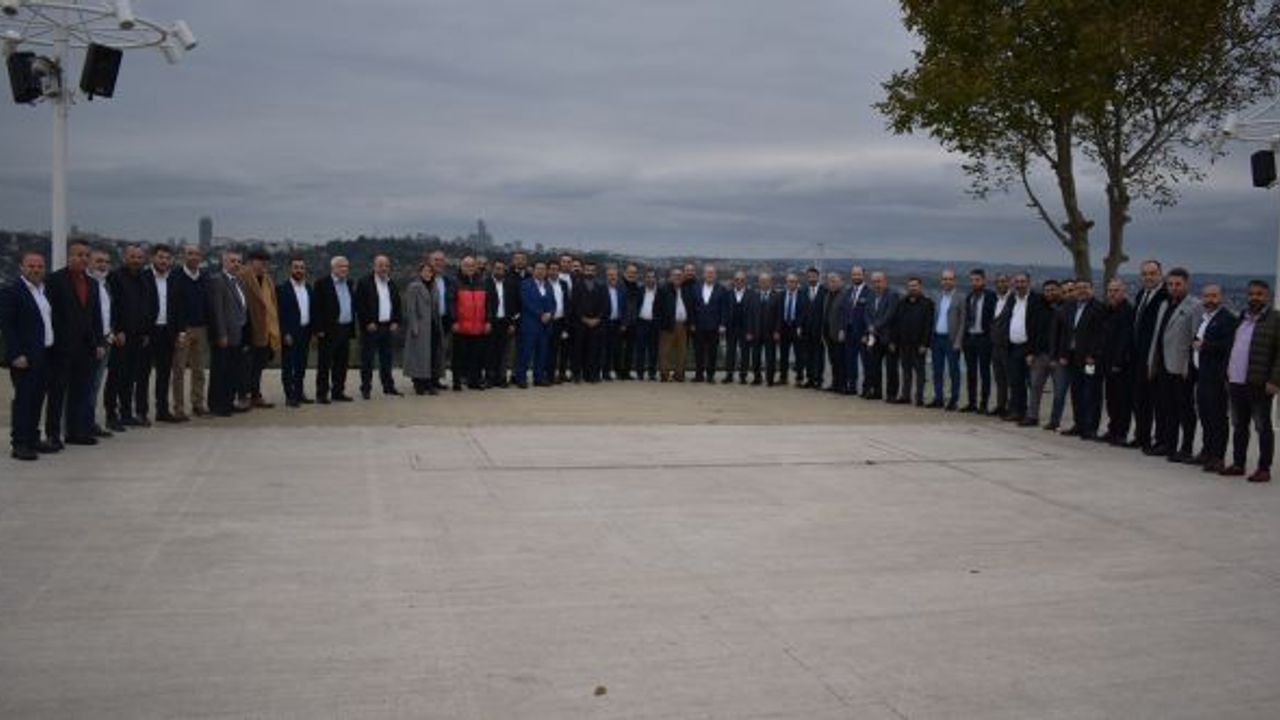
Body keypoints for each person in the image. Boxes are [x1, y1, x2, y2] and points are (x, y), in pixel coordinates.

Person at [44, 240, 104, 448]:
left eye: (86, 255)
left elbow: (95, 316)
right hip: (61, 346)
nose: (83, 259)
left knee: (80, 392)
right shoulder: (54, 280)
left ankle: (75, 432)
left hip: (86, 347)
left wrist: (98, 342)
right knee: (57, 392)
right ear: (69, 256)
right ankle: (53, 434)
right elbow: (49, 313)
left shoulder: (92, 283)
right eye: (79, 255)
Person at [1222, 280, 1280, 482]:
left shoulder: (1275, 319)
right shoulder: (1242, 317)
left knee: (1262, 427)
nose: (1255, 297)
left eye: (1259, 294)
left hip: (1259, 383)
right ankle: (1238, 464)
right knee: (1239, 426)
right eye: (1252, 294)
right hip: (1236, 381)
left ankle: (1264, 469)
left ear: (1268, 296)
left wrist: (1275, 380)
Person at [2, 251, 57, 460]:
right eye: (31, 266)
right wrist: (16, 354)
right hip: (24, 357)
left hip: (45, 354)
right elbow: (7, 327)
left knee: (37, 399)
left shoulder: (43, 291)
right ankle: (20, 443)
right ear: (22, 268)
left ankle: (33, 438)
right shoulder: (12, 292)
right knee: (24, 400)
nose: (36, 270)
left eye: (40, 266)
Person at [1151, 268, 1201, 463]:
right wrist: (1152, 362)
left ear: (1186, 284)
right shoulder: (1164, 304)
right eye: (1170, 284)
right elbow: (1158, 335)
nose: (1173, 288)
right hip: (1164, 364)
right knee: (1167, 406)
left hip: (1183, 367)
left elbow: (1196, 338)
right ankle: (1168, 445)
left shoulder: (1194, 306)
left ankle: (1186, 447)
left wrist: (1189, 365)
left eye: (1178, 284)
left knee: (1185, 409)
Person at [105, 244, 154, 430]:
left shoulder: (144, 278)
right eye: (132, 257)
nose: (136, 260)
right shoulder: (115, 277)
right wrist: (117, 330)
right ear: (125, 257)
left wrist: (146, 332)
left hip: (138, 335)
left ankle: (126, 413)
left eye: (139, 257)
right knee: (115, 376)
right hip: (121, 335)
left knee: (130, 377)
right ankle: (111, 415)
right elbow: (113, 306)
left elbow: (147, 306)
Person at [141, 244, 187, 423]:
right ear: (153, 258)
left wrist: (181, 331)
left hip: (168, 332)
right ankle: (142, 412)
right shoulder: (143, 277)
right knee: (143, 374)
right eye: (161, 257)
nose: (164, 261)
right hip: (148, 332)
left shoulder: (174, 279)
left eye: (167, 258)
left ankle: (162, 410)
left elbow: (180, 307)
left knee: (164, 374)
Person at [1192, 284, 1236, 472]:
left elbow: (1229, 345)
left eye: (1214, 296)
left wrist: (1205, 345)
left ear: (1221, 297)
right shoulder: (1205, 318)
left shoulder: (1227, 319)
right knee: (1205, 416)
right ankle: (1207, 451)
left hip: (1216, 376)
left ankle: (1218, 457)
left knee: (1217, 418)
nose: (1209, 300)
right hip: (1202, 374)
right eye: (1206, 296)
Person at [1059, 279, 1105, 439]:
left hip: (1089, 360)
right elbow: (1066, 333)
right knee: (1076, 392)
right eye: (1078, 288)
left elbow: (1100, 335)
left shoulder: (1098, 308)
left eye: (1085, 287)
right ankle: (1079, 424)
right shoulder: (1070, 307)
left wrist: (1093, 355)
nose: (1081, 290)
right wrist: (1063, 354)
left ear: (1092, 289)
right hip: (1073, 358)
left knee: (1091, 392)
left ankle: (1091, 428)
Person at [205, 249, 249, 417]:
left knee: (232, 371)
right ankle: (217, 405)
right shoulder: (218, 281)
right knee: (220, 372)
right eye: (232, 261)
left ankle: (228, 402)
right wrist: (221, 334)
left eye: (238, 261)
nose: (236, 264)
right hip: (225, 336)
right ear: (224, 262)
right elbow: (217, 311)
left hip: (237, 334)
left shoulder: (239, 281)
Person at [1130, 260, 1168, 450]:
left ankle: (1160, 440)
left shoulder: (1165, 297)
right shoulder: (1141, 295)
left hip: (1155, 358)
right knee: (1140, 400)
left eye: (1152, 273)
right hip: (1138, 357)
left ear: (1161, 274)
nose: (1148, 277)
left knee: (1158, 402)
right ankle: (1141, 436)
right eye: (1145, 274)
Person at [355, 255, 403, 399]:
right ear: (374, 266)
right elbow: (359, 305)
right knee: (368, 360)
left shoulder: (391, 283)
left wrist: (396, 321)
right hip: (371, 327)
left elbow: (397, 303)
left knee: (387, 359)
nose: (384, 268)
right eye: (380, 265)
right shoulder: (364, 282)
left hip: (387, 327)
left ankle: (388, 386)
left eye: (386, 265)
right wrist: (367, 322)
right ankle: (366, 388)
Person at [171, 245, 209, 419]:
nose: (194, 257)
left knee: (199, 369)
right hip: (183, 329)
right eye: (190, 254)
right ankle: (178, 408)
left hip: (201, 328)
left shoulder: (204, 276)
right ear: (183, 256)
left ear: (201, 257)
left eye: (197, 254)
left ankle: (198, 403)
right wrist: (179, 330)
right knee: (179, 370)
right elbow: (174, 305)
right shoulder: (176, 276)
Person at [238, 249, 280, 408]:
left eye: (266, 262)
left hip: (266, 329)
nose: (264, 264)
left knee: (258, 366)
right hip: (249, 328)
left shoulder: (267, 279)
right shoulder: (242, 277)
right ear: (251, 262)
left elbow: (272, 304)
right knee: (245, 366)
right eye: (261, 261)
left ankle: (255, 395)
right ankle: (243, 396)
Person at [311, 256, 356, 403]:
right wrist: (319, 329)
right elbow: (316, 308)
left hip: (345, 328)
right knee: (325, 363)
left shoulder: (349, 283)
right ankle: (322, 394)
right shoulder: (322, 284)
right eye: (341, 266)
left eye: (346, 266)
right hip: (328, 330)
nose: (344, 269)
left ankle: (338, 391)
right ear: (333, 268)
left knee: (341, 363)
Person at [1100, 279, 1135, 446]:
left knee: (1122, 401)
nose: (1112, 294)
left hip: (1121, 364)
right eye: (1110, 291)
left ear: (1123, 292)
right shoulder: (1108, 310)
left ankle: (1121, 432)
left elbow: (1125, 339)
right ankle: (1112, 429)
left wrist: (1118, 362)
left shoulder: (1127, 311)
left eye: (1116, 291)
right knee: (1111, 399)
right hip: (1107, 361)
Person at [1023, 280, 1062, 428]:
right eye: (1047, 290)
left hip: (1058, 356)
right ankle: (1032, 416)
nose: (1050, 293)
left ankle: (1054, 421)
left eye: (1053, 290)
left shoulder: (1065, 307)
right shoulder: (1037, 307)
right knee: (1035, 387)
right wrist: (1030, 352)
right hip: (1039, 354)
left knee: (1059, 391)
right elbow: (1031, 330)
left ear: (1058, 290)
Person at [276, 256, 314, 407]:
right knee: (288, 365)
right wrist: (285, 333)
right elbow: (280, 314)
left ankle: (299, 392)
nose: (299, 270)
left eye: (302, 268)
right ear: (290, 269)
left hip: (305, 331)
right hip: (290, 334)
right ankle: (289, 395)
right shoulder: (282, 289)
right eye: (296, 267)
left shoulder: (308, 288)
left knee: (301, 365)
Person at [891, 277, 934, 406]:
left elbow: (928, 326)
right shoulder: (902, 303)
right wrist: (894, 341)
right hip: (904, 343)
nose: (912, 288)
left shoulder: (927, 303)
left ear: (920, 287)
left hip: (919, 344)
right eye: (910, 286)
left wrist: (925, 344)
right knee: (906, 371)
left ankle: (919, 398)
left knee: (920, 373)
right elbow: (896, 323)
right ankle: (905, 396)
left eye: (915, 286)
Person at [515, 261, 556, 388]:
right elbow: (526, 302)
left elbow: (553, 302)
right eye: (538, 268)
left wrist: (550, 313)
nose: (541, 271)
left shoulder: (548, 285)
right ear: (533, 270)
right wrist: (540, 314)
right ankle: (521, 378)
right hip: (530, 324)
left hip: (545, 325)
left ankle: (538, 377)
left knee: (542, 353)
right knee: (526, 352)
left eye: (543, 269)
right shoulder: (525, 284)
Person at [87, 247, 115, 437]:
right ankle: (80, 424)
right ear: (89, 262)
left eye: (105, 262)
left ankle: (90, 422)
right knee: (84, 385)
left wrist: (111, 331)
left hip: (105, 340)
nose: (102, 265)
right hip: (90, 343)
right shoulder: (85, 284)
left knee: (96, 384)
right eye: (98, 261)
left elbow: (108, 312)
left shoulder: (106, 285)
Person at [403, 261, 442, 395]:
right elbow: (410, 308)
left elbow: (436, 307)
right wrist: (414, 326)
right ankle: (418, 382)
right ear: (420, 272)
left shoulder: (434, 286)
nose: (428, 274)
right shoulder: (414, 286)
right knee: (418, 356)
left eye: (430, 271)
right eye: (425, 271)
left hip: (433, 326)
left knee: (430, 356)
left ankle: (428, 382)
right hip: (420, 327)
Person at [451, 256, 490, 390]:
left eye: (472, 265)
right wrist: (454, 320)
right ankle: (457, 381)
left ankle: (474, 381)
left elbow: (488, 304)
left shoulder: (482, 282)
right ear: (461, 266)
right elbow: (451, 302)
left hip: (478, 325)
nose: (470, 268)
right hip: (461, 325)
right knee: (458, 356)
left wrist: (488, 321)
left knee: (476, 356)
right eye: (466, 265)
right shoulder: (455, 282)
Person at [962, 269, 997, 414]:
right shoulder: (969, 297)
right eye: (972, 280)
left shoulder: (991, 297)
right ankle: (972, 403)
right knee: (971, 373)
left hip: (984, 338)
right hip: (970, 338)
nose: (974, 283)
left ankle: (983, 404)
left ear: (984, 281)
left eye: (977, 280)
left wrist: (991, 338)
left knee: (984, 372)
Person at [930, 269, 964, 410]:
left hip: (951, 340)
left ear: (954, 281)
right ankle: (938, 398)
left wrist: (958, 341)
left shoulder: (960, 298)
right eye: (944, 279)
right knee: (937, 370)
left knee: (953, 371)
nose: (947, 281)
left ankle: (953, 400)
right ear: (941, 281)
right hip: (937, 338)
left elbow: (963, 322)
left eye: (950, 279)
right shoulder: (938, 297)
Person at [864, 271, 899, 402]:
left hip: (888, 337)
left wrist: (875, 326)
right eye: (874, 282)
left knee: (891, 368)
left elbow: (890, 315)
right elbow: (866, 313)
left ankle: (891, 394)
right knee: (875, 366)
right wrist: (869, 327)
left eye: (879, 281)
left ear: (885, 281)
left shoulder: (892, 295)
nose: (876, 284)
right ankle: (877, 391)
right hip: (874, 337)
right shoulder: (870, 295)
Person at [571, 262, 609, 383]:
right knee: (578, 350)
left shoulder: (602, 286)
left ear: (596, 272)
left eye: (592, 270)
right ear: (584, 271)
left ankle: (591, 375)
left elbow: (606, 305)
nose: (590, 272)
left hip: (596, 324)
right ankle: (577, 374)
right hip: (580, 323)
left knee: (594, 351)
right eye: (588, 270)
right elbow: (574, 305)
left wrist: (598, 319)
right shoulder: (577, 286)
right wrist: (583, 318)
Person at [692, 264, 728, 383]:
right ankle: (699, 375)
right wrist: (692, 323)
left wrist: (722, 324)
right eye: (708, 273)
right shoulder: (696, 288)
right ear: (703, 274)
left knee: (712, 352)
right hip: (699, 325)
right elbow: (692, 307)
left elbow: (724, 308)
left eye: (712, 273)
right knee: (698, 352)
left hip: (714, 326)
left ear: (715, 275)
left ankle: (710, 376)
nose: (709, 275)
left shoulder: (721, 289)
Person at [656, 267, 692, 382]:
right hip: (668, 325)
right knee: (665, 351)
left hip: (683, 325)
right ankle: (665, 374)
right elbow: (656, 308)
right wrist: (662, 323)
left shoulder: (685, 290)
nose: (678, 277)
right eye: (675, 275)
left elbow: (690, 307)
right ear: (670, 277)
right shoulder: (663, 290)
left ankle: (679, 374)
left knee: (682, 352)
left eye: (680, 275)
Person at [724, 270, 759, 385]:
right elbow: (724, 311)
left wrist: (751, 331)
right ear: (734, 281)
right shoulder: (728, 293)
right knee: (730, 352)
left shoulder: (752, 294)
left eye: (742, 280)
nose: (739, 282)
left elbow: (754, 314)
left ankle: (743, 376)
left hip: (746, 329)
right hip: (731, 328)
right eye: (737, 279)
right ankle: (729, 375)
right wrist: (724, 325)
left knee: (745, 353)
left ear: (745, 281)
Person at [485, 259, 515, 388]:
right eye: (497, 268)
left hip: (505, 322)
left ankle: (501, 377)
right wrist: (486, 321)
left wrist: (512, 323)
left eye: (502, 269)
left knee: (504, 352)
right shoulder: (485, 283)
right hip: (491, 322)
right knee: (490, 351)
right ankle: (490, 377)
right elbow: (483, 305)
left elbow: (513, 305)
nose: (499, 271)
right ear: (492, 269)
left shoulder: (509, 284)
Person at [429, 251, 455, 390]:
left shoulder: (448, 280)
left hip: (444, 320)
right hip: (429, 321)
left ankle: (436, 379)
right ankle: (424, 380)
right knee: (428, 351)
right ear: (430, 261)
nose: (439, 263)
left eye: (441, 260)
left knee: (441, 351)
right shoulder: (425, 279)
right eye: (436, 260)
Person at [842, 265, 870, 395]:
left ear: (863, 275)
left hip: (862, 333)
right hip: (849, 331)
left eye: (858, 274)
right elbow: (844, 312)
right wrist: (842, 329)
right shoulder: (848, 292)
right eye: (854, 274)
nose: (856, 277)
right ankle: (851, 386)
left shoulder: (869, 292)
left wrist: (867, 333)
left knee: (866, 362)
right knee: (850, 361)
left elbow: (870, 314)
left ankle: (866, 388)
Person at [753, 273, 782, 386]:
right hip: (756, 331)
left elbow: (779, 316)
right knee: (756, 356)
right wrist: (750, 330)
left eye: (766, 281)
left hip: (771, 332)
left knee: (770, 357)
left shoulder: (777, 297)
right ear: (759, 283)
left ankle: (770, 379)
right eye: (762, 281)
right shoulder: (754, 296)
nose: (764, 283)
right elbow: (750, 315)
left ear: (770, 282)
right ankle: (757, 378)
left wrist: (777, 331)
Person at [989, 273, 1012, 417]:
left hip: (1008, 346)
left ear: (1009, 283)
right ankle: (1001, 405)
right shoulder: (996, 300)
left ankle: (1013, 407)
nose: (1001, 284)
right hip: (995, 345)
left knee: (1011, 379)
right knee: (999, 378)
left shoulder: (1014, 300)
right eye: (998, 282)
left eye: (1003, 281)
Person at [631, 269, 660, 381]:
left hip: (654, 324)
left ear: (656, 279)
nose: (650, 279)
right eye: (648, 277)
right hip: (641, 323)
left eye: (652, 277)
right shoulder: (639, 290)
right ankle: (640, 373)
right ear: (645, 279)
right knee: (640, 349)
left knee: (653, 349)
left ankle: (652, 373)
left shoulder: (660, 292)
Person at [779, 273, 806, 387]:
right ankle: (783, 378)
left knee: (799, 355)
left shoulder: (802, 296)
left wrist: (800, 326)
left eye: (794, 282)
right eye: (789, 281)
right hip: (784, 327)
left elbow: (804, 313)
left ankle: (799, 378)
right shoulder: (781, 295)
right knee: (783, 354)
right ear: (786, 283)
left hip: (796, 328)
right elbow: (778, 313)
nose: (791, 284)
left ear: (797, 283)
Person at [822, 273, 848, 393]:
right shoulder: (827, 295)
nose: (832, 284)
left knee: (840, 360)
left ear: (840, 283)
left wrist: (843, 329)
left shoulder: (844, 296)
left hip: (839, 333)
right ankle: (834, 383)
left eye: (834, 281)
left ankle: (842, 385)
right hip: (828, 333)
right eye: (830, 282)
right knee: (832, 360)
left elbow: (846, 314)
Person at [801, 267, 826, 388]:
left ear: (818, 277)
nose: (811, 278)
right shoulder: (803, 291)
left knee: (819, 356)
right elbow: (800, 310)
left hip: (819, 330)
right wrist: (800, 326)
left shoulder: (824, 291)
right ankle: (810, 378)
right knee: (807, 355)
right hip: (806, 330)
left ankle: (818, 379)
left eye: (814, 276)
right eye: (809, 276)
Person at [547, 261, 571, 383]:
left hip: (560, 321)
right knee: (548, 350)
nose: (554, 271)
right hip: (547, 321)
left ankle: (556, 374)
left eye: (556, 269)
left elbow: (566, 303)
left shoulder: (563, 284)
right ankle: (548, 375)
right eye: (551, 269)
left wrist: (566, 324)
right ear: (548, 270)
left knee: (558, 350)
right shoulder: (544, 283)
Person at [618, 264, 643, 380]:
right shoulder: (620, 286)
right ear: (625, 273)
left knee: (629, 349)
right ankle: (619, 371)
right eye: (629, 272)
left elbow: (638, 305)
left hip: (633, 323)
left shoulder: (637, 288)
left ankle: (626, 372)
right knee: (619, 349)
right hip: (622, 323)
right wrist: (623, 322)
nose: (631, 274)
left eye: (634, 273)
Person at [602, 266, 626, 380]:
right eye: (610, 275)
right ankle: (605, 372)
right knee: (605, 349)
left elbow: (625, 308)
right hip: (605, 323)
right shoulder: (601, 289)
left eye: (614, 275)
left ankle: (618, 371)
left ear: (617, 276)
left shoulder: (622, 290)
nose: (612, 277)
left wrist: (624, 323)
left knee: (618, 349)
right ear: (606, 276)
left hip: (618, 323)